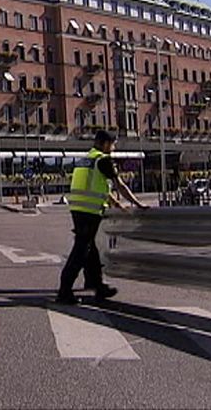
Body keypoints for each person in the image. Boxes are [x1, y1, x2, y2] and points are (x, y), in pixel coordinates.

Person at [56, 130, 148, 305]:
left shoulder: (87, 159)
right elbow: (119, 185)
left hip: (78, 209)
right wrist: (138, 204)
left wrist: (116, 204)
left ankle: (97, 285)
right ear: (105, 143)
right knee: (81, 251)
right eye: (112, 145)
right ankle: (64, 292)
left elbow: (96, 186)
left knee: (90, 249)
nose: (113, 149)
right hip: (89, 212)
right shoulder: (103, 160)